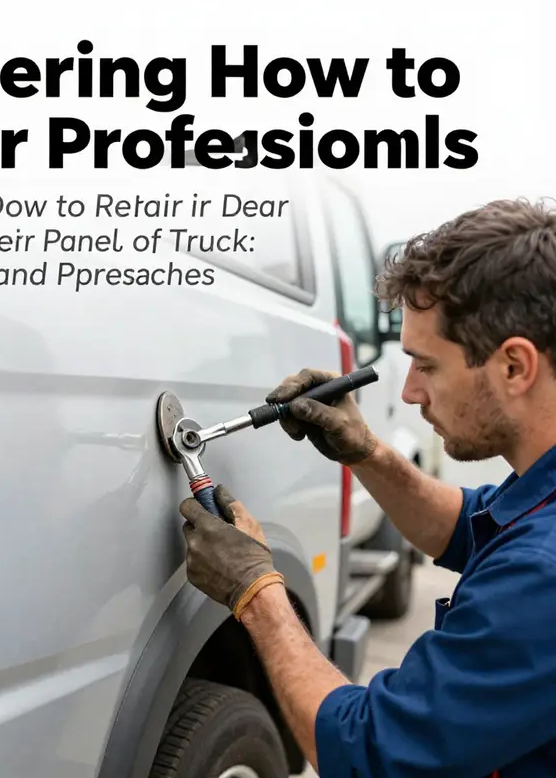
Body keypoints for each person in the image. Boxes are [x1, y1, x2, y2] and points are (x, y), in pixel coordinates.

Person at [178, 197, 556, 777]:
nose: (408, 393)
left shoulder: (543, 572)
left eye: (426, 365)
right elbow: (465, 527)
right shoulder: (540, 504)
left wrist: (256, 595)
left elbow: (369, 753)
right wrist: (368, 451)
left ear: (514, 366)